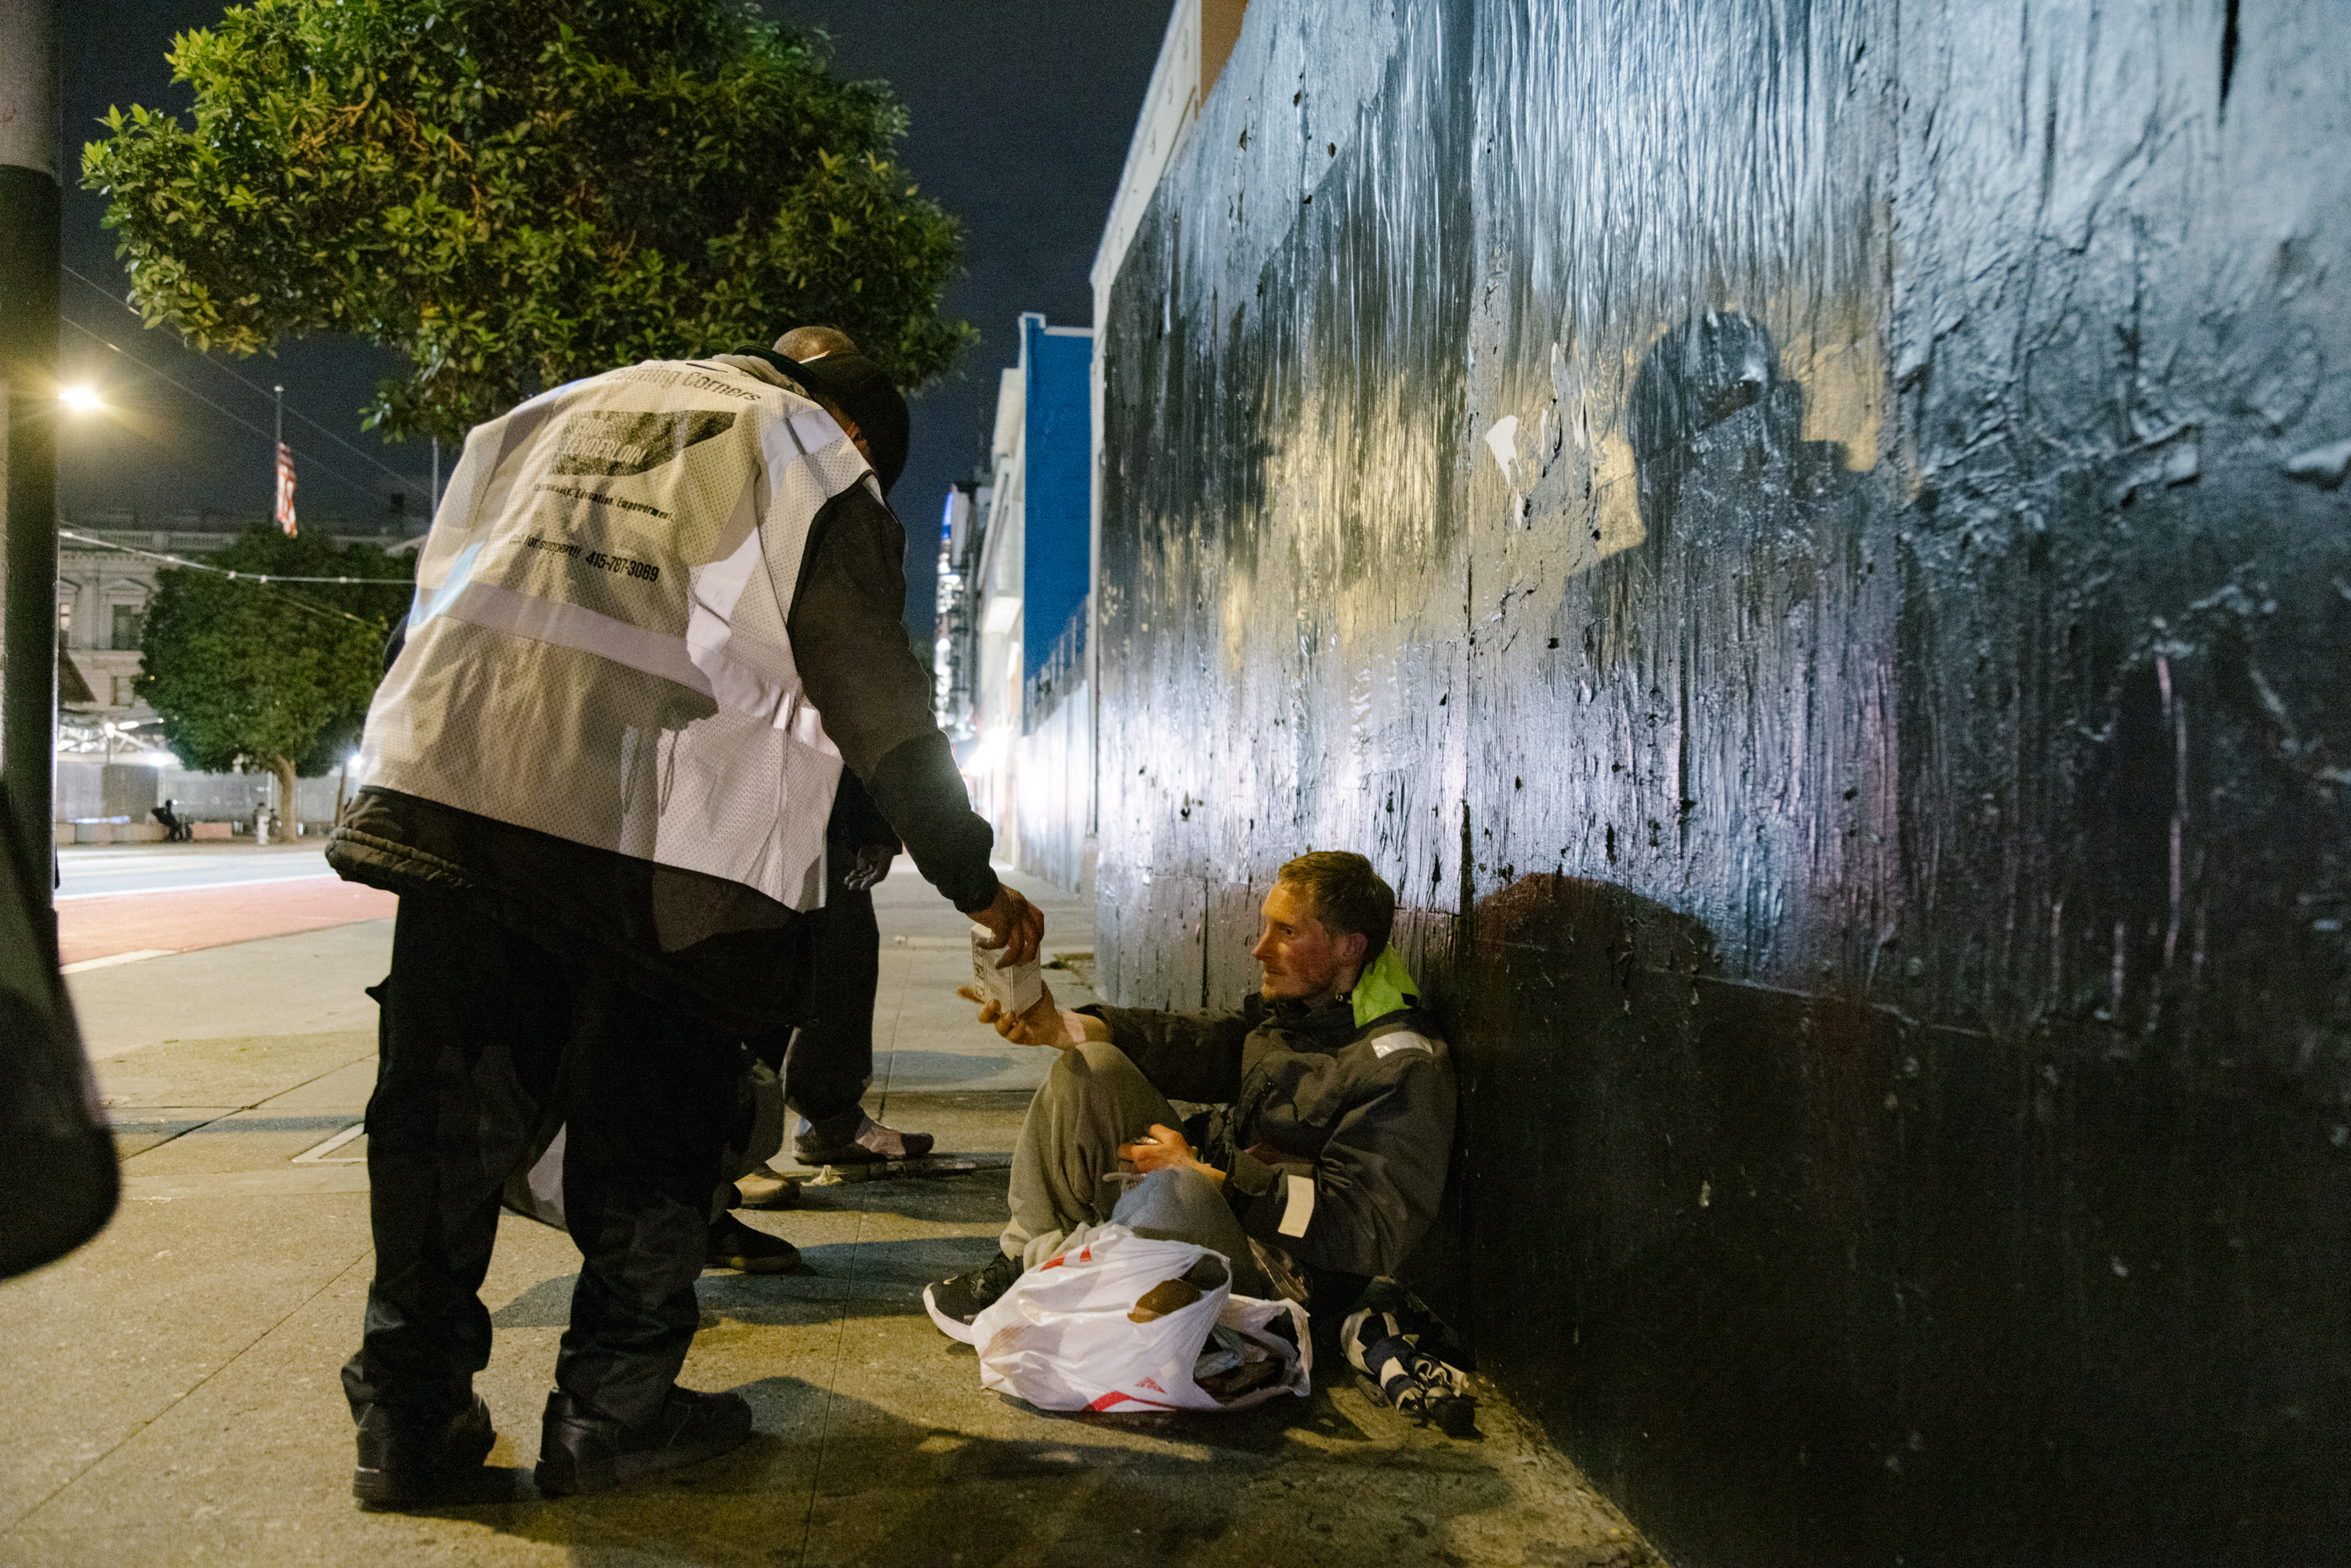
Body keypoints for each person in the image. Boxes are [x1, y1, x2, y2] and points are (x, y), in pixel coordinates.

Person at [327, 327, 1042, 1506]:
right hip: (653, 853)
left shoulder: (556, 405)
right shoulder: (810, 457)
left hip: (460, 800)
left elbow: (441, 601)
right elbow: (878, 696)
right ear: (857, 428)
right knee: (653, 1117)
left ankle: (404, 1420)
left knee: (443, 1117)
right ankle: (614, 1415)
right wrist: (971, 876)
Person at [923, 851, 1453, 1338]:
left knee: (1179, 1193)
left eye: (1286, 931)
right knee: (1091, 1068)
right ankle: (1025, 1260)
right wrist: (1060, 1025)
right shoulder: (1299, 1013)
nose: (1259, 947)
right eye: (1265, 925)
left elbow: (1367, 1225)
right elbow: (1191, 1041)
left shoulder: (1403, 1065)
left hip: (1282, 1281)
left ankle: (1059, 1272)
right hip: (1218, 1209)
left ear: (1349, 947)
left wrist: (1219, 1181)